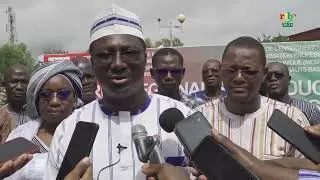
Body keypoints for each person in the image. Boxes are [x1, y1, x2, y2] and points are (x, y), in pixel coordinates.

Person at [45, 5, 191, 180]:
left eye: (129, 52)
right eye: (105, 55)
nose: (117, 64)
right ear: (93, 63)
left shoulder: (183, 117)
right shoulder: (68, 130)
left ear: (145, 58)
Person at [193, 36, 311, 161]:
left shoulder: (292, 118)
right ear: (222, 72)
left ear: (264, 74)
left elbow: (308, 173)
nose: (238, 78)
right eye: (231, 70)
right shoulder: (200, 118)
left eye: (249, 71)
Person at [5, 60, 83, 180]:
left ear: (75, 98)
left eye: (63, 94)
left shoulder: (88, 134)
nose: (54, 101)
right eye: (46, 94)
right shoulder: (20, 135)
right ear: (37, 99)